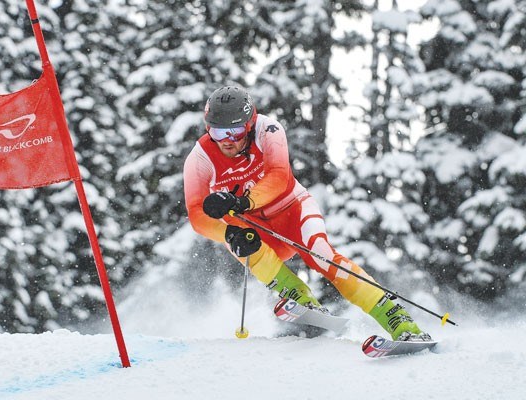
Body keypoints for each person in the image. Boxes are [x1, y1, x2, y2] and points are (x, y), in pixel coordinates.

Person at [183, 85, 431, 341]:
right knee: (243, 243)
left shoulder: (268, 130)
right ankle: (300, 299)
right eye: (217, 131)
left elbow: (278, 177)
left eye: (234, 131)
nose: (226, 140)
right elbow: (196, 214)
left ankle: (399, 321)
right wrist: (228, 232)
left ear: (249, 124)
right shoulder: (200, 158)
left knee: (322, 256)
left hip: (293, 210)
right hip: (256, 230)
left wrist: (243, 202)